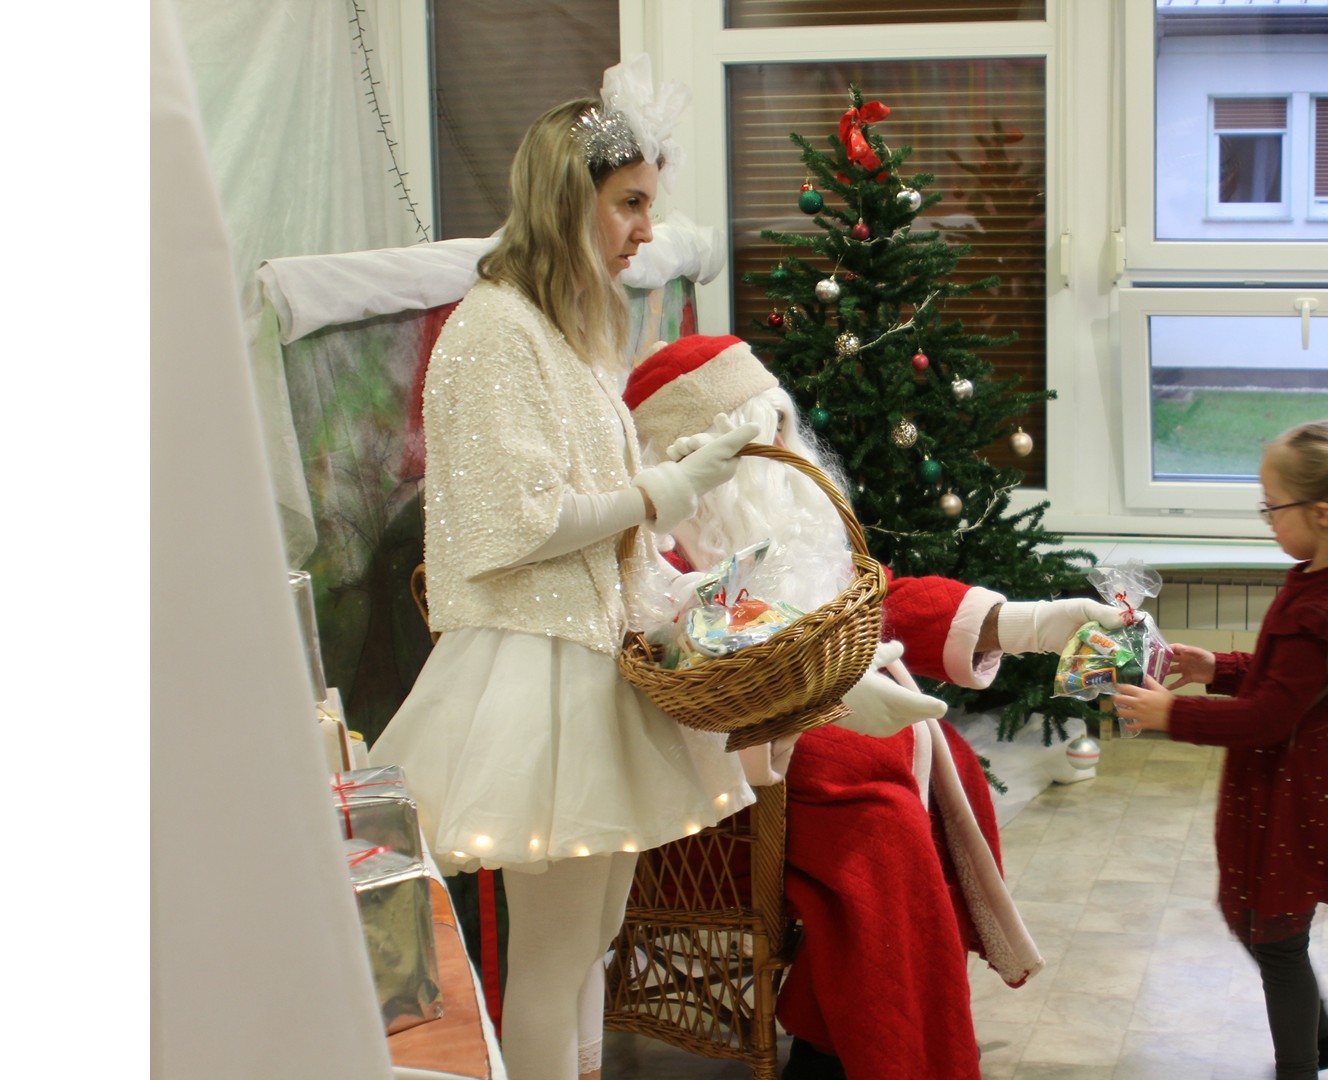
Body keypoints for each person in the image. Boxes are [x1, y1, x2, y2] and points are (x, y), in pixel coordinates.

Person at [369, 58, 764, 1080]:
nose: (644, 229)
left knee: (591, 938)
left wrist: (671, 481)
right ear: (564, 198)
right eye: (629, 202)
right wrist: (666, 492)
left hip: (591, 658)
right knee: (551, 960)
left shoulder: (560, 326)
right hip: (538, 669)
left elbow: (589, 486)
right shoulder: (495, 331)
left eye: (648, 204)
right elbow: (523, 522)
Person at [621, 333, 1126, 1080]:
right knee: (879, 825)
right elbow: (689, 664)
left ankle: (836, 1036)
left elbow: (875, 599)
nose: (786, 452)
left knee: (936, 768)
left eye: (786, 426)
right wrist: (833, 697)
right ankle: (885, 1050)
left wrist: (1028, 623)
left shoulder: (788, 524)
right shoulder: (656, 552)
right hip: (723, 790)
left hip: (796, 758)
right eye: (765, 435)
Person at [1113, 420, 1328, 1078]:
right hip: (1298, 777)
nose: (1267, 519)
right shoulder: (1322, 579)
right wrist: (1218, 668)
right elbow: (1288, 682)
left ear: (1323, 513)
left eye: (1273, 507)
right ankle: (1325, 1040)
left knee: (1276, 937)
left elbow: (1270, 716)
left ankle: (1303, 1064)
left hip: (1297, 789)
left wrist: (1172, 714)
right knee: (1262, 924)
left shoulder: (1320, 604)